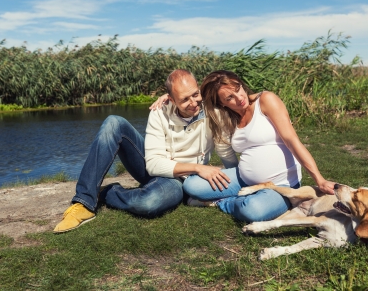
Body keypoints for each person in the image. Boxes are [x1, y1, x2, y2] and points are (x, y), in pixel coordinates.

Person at [53, 69, 238, 233]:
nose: (193, 103)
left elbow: (225, 151)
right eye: (184, 99)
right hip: (155, 168)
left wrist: (239, 179)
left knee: (148, 203)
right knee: (113, 122)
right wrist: (198, 168)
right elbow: (153, 164)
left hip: (180, 181)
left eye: (195, 94)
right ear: (171, 100)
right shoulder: (159, 112)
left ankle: (107, 192)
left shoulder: (213, 113)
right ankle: (84, 201)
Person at [182, 70, 336, 223]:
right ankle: (246, 195)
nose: (239, 98)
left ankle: (224, 202)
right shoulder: (227, 117)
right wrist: (168, 98)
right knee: (192, 185)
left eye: (238, 89)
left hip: (280, 185)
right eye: (230, 97)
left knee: (253, 210)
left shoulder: (265, 100)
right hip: (243, 179)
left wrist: (319, 180)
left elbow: (292, 141)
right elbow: (195, 101)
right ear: (221, 103)